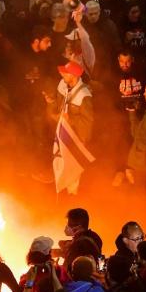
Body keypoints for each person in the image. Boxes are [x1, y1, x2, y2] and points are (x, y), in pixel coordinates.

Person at [45, 61, 94, 194]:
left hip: (75, 138)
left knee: (73, 169)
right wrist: (52, 102)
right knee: (61, 164)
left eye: (65, 73)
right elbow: (59, 109)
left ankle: (73, 196)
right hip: (63, 135)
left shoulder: (84, 95)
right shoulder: (64, 86)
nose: (62, 74)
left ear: (73, 76)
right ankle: (62, 192)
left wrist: (70, 120)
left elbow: (88, 122)